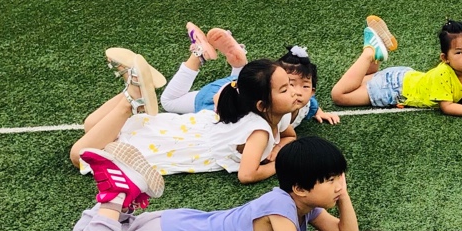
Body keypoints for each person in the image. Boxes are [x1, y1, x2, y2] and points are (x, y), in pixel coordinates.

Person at [62, 135, 355, 231]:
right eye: (331, 180)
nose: (338, 185)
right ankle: (115, 198)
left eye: (339, 177)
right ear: (300, 188)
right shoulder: (281, 207)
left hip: (176, 226)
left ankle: (124, 202)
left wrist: (342, 195)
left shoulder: (304, 205)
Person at [69, 52, 298, 183]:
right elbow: (247, 175)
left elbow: (289, 136)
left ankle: (132, 88)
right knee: (80, 156)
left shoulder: (270, 115)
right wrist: (278, 164)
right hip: (181, 145)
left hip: (186, 129)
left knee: (92, 126)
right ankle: (129, 102)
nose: (294, 92)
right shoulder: (259, 132)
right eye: (285, 89)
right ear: (262, 105)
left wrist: (279, 148)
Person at [331, 17, 462, 122]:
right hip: (393, 89)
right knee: (339, 96)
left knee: (359, 82)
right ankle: (370, 52)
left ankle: (377, 50)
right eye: (459, 52)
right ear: (445, 58)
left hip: (403, 77)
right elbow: (447, 106)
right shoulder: (443, 73)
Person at [159, 23, 251, 115]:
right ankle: (199, 54)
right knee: (169, 101)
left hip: (234, 87)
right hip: (225, 98)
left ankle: (240, 68)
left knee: (247, 84)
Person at [277, 44, 340, 126]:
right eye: (291, 84)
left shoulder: (307, 106)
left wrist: (319, 112)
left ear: (312, 92)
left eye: (305, 86)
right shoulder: (270, 113)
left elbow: (311, 103)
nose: (298, 92)